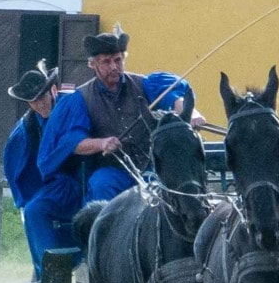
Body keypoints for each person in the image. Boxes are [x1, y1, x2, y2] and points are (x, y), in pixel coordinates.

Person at [37, 25, 204, 202]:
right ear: (92, 64)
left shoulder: (146, 85)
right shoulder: (81, 98)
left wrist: (191, 114)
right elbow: (74, 141)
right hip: (113, 171)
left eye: (118, 60)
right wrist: (102, 143)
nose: (114, 67)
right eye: (106, 62)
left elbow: (172, 97)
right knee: (101, 184)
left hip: (151, 169)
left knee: (169, 188)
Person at [3, 61, 80, 278]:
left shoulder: (74, 107)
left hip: (84, 181)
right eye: (32, 101)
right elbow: (17, 172)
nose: (39, 105)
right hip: (55, 189)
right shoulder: (24, 133)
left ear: (53, 91)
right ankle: (53, 267)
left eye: (42, 98)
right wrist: (30, 200)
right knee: (34, 210)